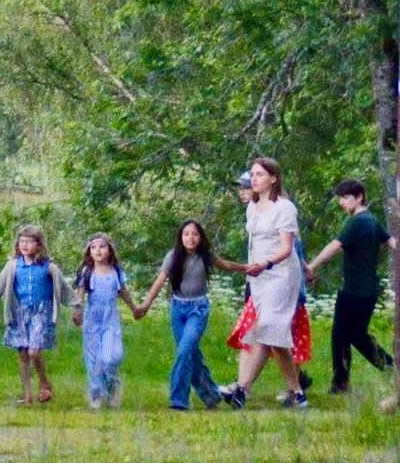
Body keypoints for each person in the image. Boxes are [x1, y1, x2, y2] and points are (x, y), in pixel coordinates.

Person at [219, 157, 307, 409]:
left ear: (273, 178)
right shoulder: (252, 206)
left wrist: (266, 263)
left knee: (268, 326)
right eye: (253, 174)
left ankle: (242, 389)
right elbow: (253, 243)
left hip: (281, 275)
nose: (254, 179)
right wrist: (250, 268)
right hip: (258, 277)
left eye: (260, 174)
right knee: (271, 334)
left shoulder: (285, 208)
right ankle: (297, 393)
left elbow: (287, 248)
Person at [303, 179, 399, 394]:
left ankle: (389, 369)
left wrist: (312, 266)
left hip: (355, 290)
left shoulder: (357, 221)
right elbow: (393, 242)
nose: (341, 202)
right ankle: (345, 381)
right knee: (349, 334)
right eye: (340, 198)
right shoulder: (372, 220)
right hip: (367, 289)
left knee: (346, 335)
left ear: (359, 197)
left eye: (346, 197)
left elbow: (335, 246)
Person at [134, 220, 240, 410]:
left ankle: (178, 401)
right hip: (178, 309)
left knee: (184, 351)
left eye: (195, 234)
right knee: (191, 354)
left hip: (198, 310)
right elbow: (159, 281)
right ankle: (212, 395)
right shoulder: (173, 256)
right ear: (181, 237)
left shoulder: (205, 256)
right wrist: (146, 305)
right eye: (186, 234)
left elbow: (225, 265)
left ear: (201, 237)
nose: (190, 238)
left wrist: (247, 268)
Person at [0, 225, 67, 406]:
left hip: (40, 313)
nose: (25, 245)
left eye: (29, 242)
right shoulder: (13, 265)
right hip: (19, 313)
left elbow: (64, 288)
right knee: (23, 354)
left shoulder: (49, 267)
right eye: (22, 241)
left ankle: (44, 383)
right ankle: (27, 396)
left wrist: (77, 306)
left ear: (39, 245)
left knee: (34, 351)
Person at [71, 234, 140, 409]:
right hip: (92, 322)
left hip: (110, 322)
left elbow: (123, 292)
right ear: (89, 252)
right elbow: (80, 295)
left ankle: (112, 385)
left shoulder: (116, 272)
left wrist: (134, 308)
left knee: (111, 358)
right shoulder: (87, 272)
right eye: (93, 248)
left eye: (102, 247)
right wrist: (77, 311)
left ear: (109, 250)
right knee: (94, 360)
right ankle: (96, 395)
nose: (98, 251)